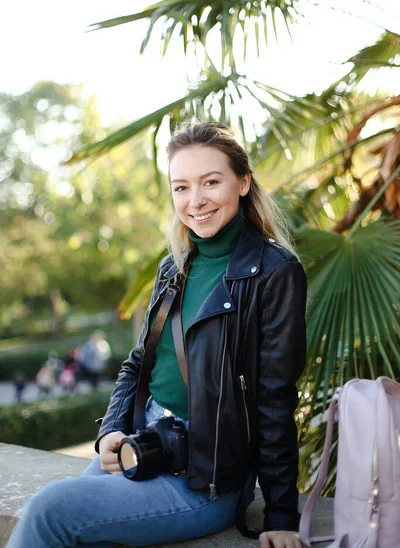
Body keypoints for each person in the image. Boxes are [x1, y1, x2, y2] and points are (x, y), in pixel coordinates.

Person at [6, 122, 307, 548]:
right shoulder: (174, 267)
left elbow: (275, 402)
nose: (195, 200)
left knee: (49, 510)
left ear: (243, 183)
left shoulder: (275, 272)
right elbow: (136, 364)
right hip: (143, 442)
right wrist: (110, 429)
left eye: (211, 182)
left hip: (207, 477)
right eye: (181, 187)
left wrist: (280, 515)